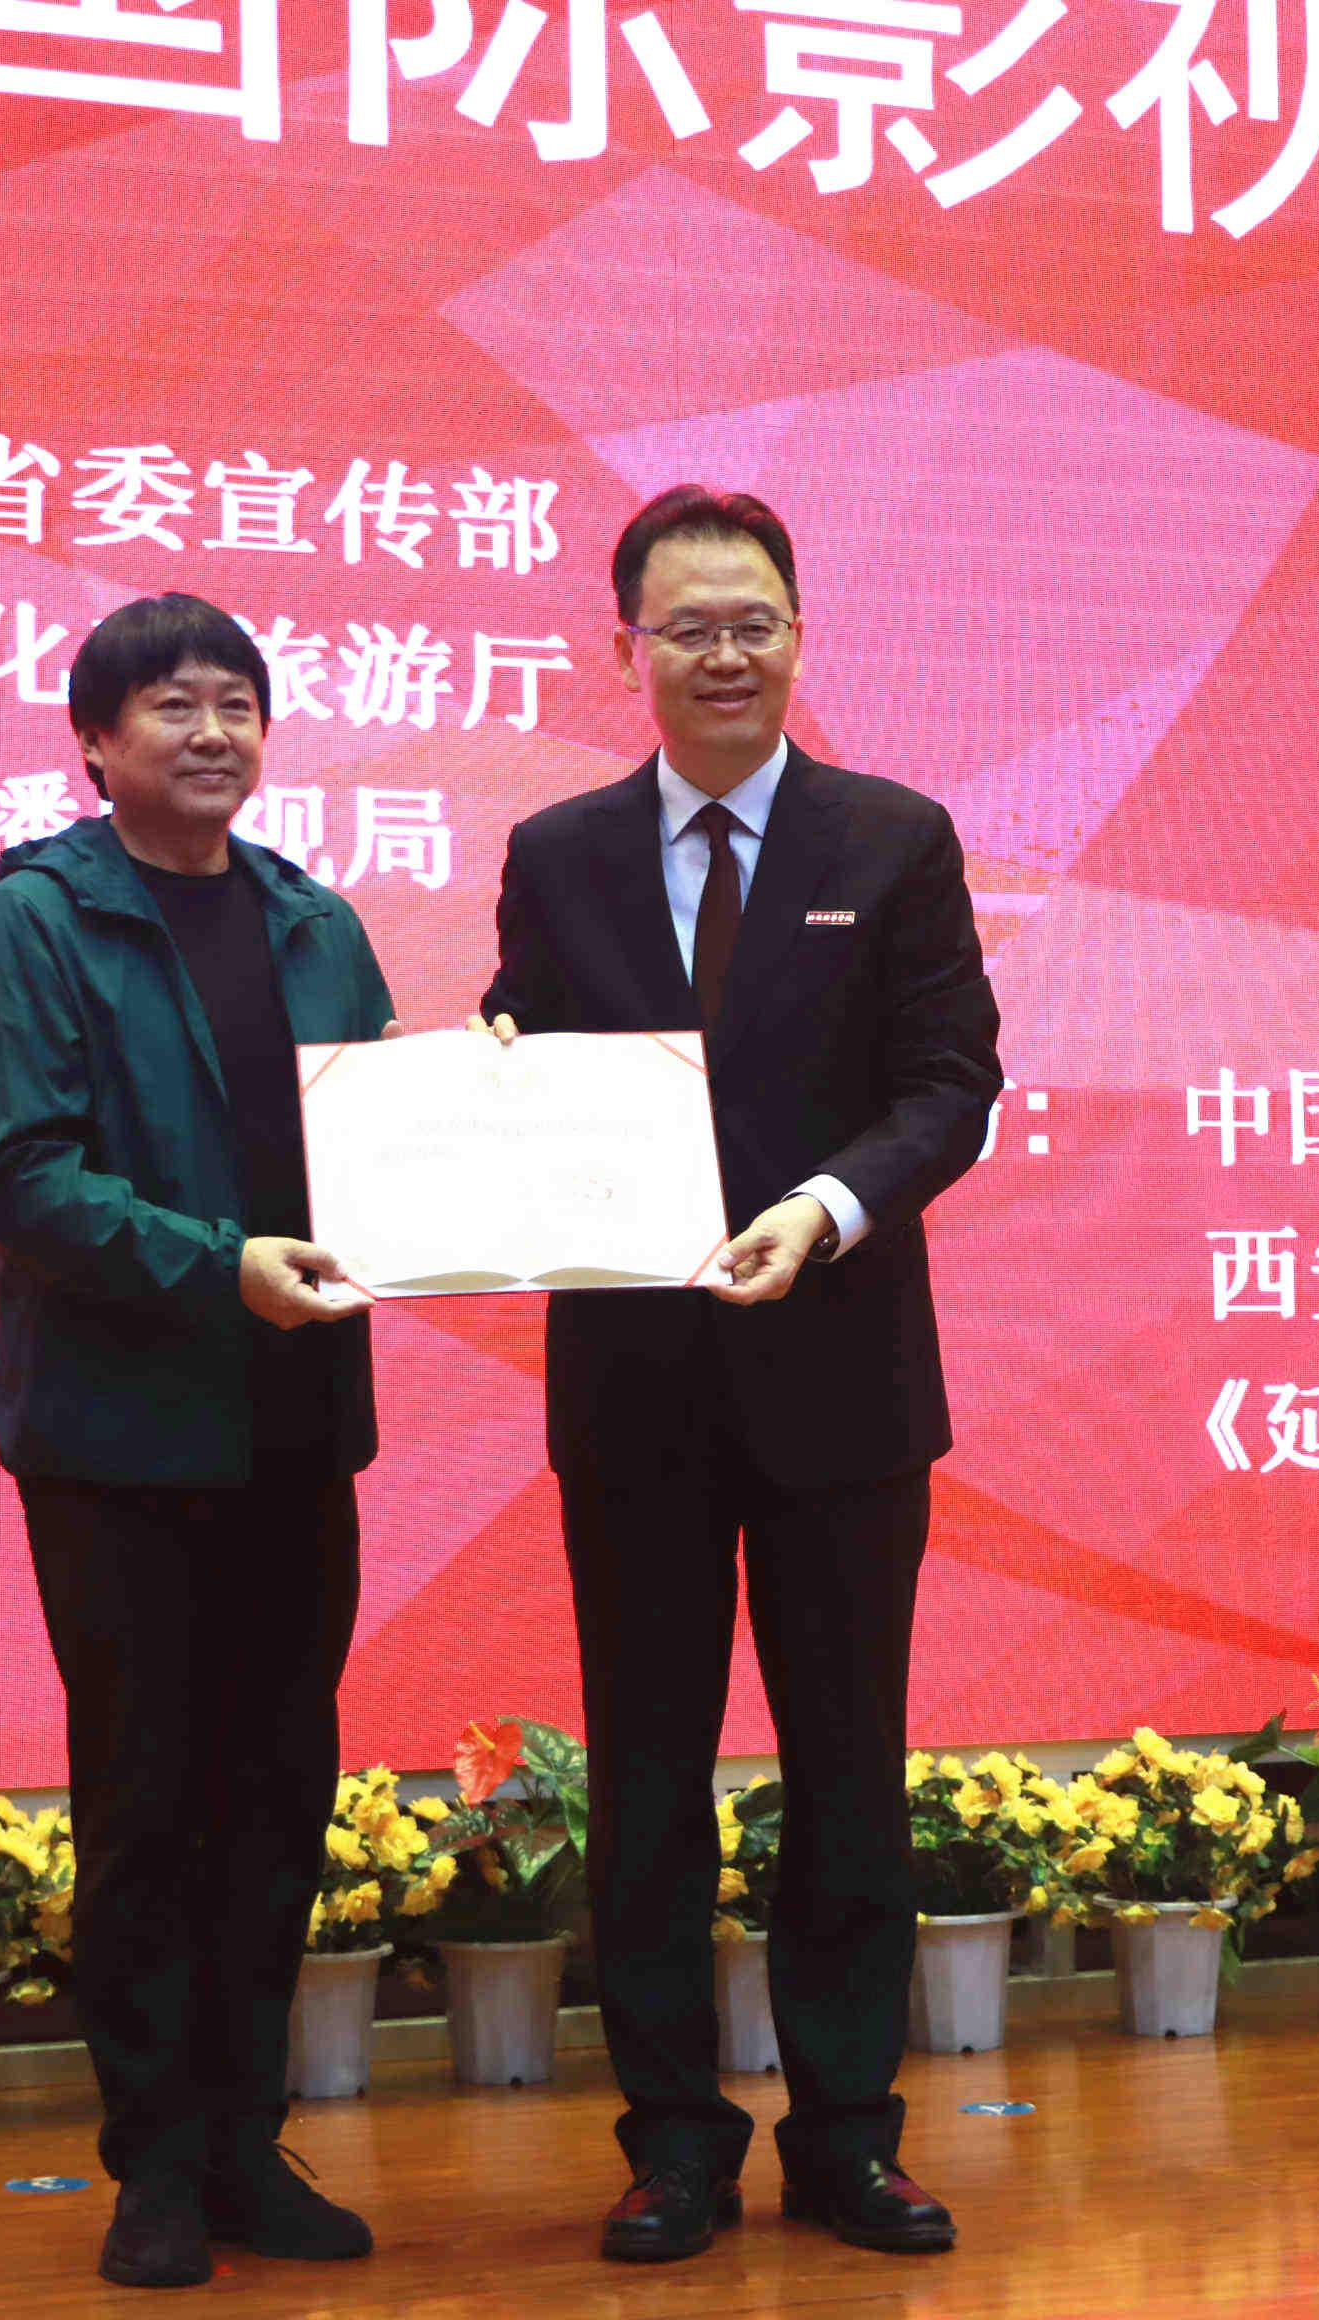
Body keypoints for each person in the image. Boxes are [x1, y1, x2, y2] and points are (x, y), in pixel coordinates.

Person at [473, 486, 1003, 2261]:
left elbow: (949, 1086)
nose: (724, 654)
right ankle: (675, 2144)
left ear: (797, 634)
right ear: (624, 646)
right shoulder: (559, 851)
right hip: (634, 1388)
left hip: (843, 1380)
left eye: (752, 622)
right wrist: (476, 1084)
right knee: (644, 1777)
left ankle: (849, 2137)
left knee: (849, 1769)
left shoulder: (893, 839)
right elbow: (531, 1048)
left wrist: (825, 1211)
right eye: (688, 626)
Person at [0, 593, 394, 2290]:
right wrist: (221, 1269)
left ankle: (244, 2148)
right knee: (147, 1805)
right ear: (96, 742)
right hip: (122, 1443)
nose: (212, 734)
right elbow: (25, 1179)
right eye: (173, 707)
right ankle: (155, 2166)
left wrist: (484, 1124)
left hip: (297, 1430)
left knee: (277, 1796)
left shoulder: (315, 923)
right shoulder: (33, 925)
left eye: (237, 705)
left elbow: (383, 1142)